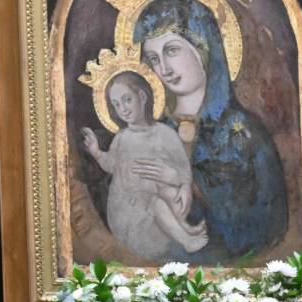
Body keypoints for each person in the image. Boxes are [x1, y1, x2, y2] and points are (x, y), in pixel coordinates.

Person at [133, 0, 288, 263]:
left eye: (171, 51)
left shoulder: (245, 134)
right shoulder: (151, 133)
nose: (164, 69)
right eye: (153, 58)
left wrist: (190, 184)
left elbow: (268, 224)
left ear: (203, 47)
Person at [81, 72, 208, 259]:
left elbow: (182, 166)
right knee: (156, 202)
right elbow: (111, 165)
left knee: (171, 193)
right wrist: (97, 152)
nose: (122, 109)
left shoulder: (165, 134)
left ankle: (185, 228)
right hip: (128, 210)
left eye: (127, 100)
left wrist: (185, 186)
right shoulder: (122, 138)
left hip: (154, 200)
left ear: (142, 97)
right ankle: (186, 240)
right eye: (116, 105)